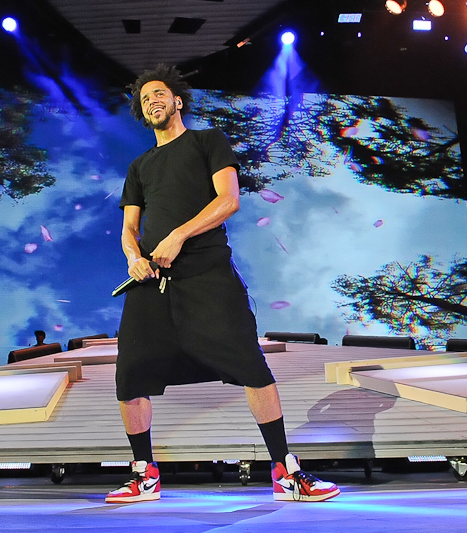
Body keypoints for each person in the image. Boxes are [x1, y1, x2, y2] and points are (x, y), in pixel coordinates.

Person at [106, 65, 340, 504]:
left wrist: (178, 234)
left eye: (159, 94)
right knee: (130, 376)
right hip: (152, 283)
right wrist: (134, 258)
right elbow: (128, 229)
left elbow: (228, 199)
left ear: (177, 100)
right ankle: (144, 473)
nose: (152, 101)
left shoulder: (207, 141)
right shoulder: (139, 166)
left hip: (208, 273)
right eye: (144, 100)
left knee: (251, 366)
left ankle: (286, 472)